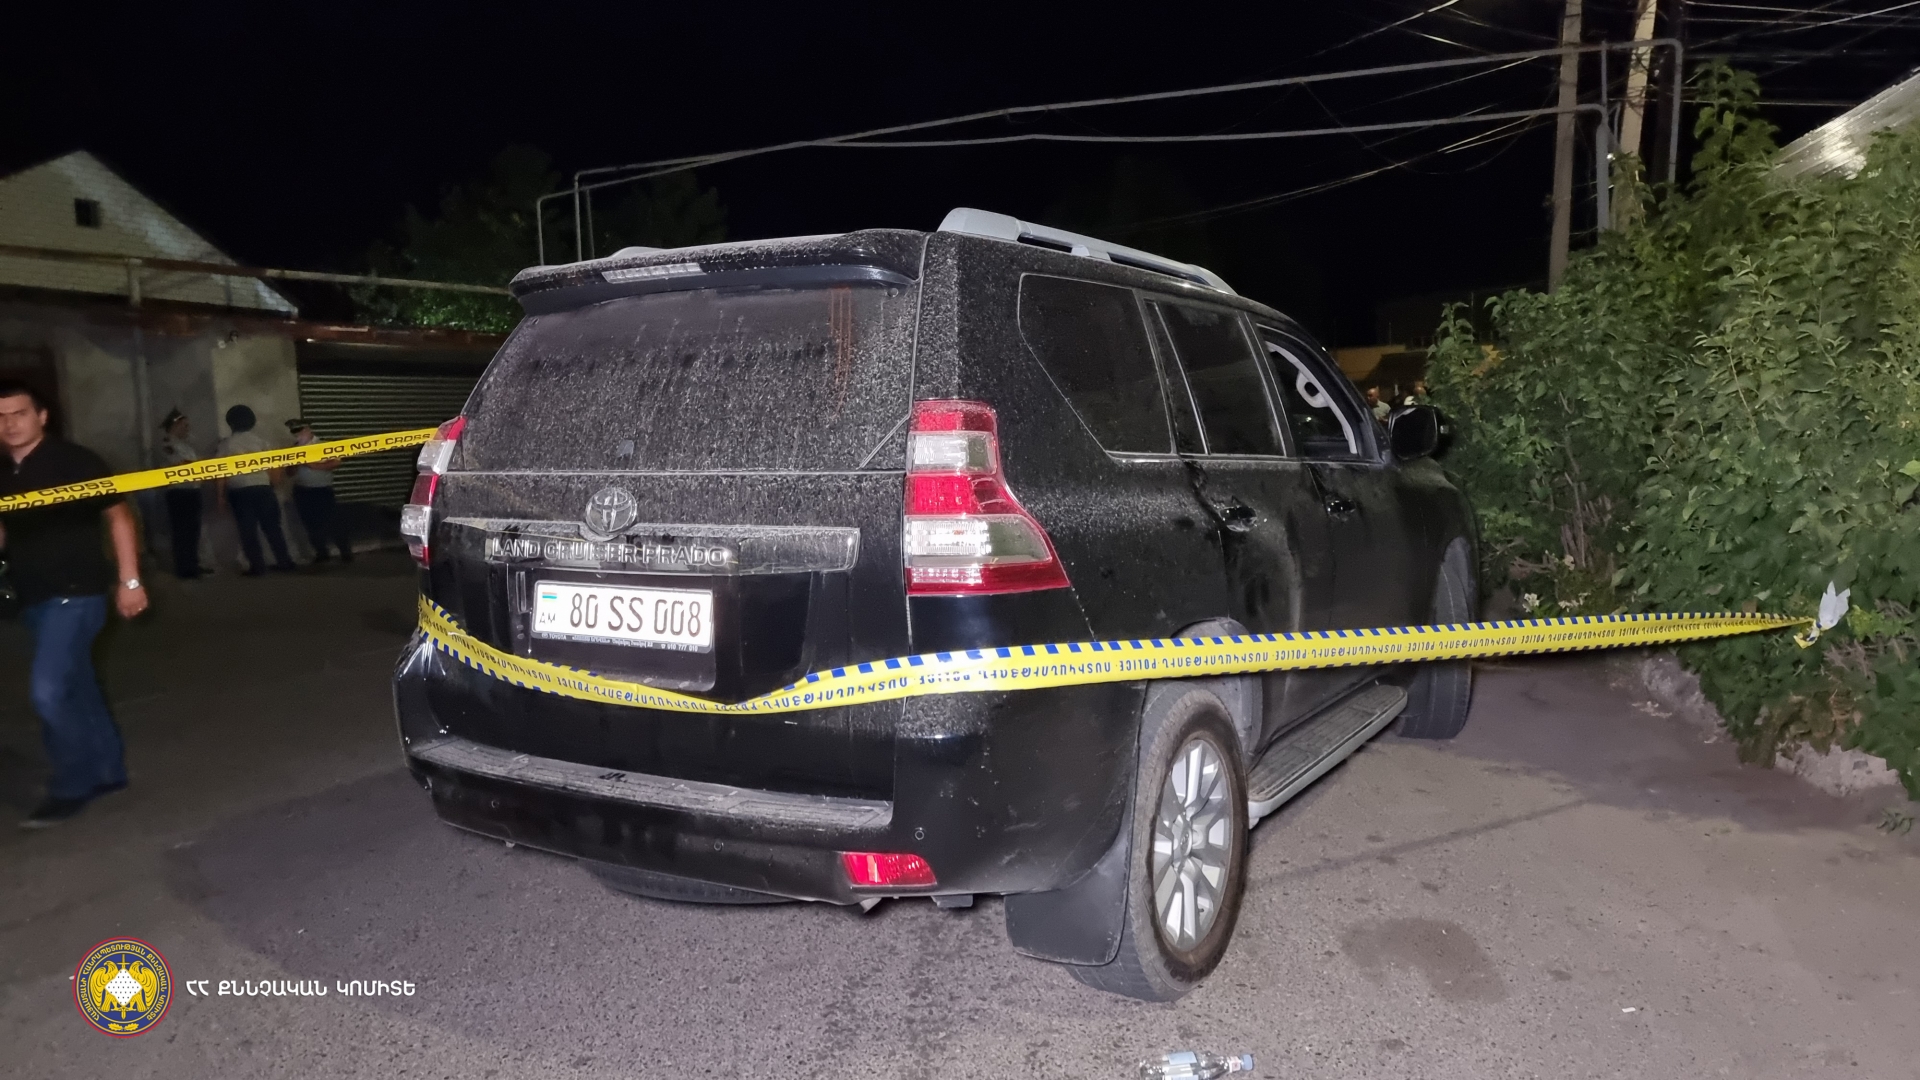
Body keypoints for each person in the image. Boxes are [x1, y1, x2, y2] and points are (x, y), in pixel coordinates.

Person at [0, 380, 148, 827]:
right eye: (0, 417)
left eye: (19, 413)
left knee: (48, 692)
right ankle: (107, 770)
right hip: (33, 595)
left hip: (78, 593)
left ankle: (71, 784)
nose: (9, 424)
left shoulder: (75, 460)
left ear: (42, 416)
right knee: (77, 684)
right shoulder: (4, 469)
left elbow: (118, 516)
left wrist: (130, 580)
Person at [214, 405, 295, 576]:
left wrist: (220, 497)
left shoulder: (227, 445)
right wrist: (272, 486)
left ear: (231, 423)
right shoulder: (261, 441)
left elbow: (221, 472)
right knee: (273, 528)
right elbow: (275, 467)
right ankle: (285, 562)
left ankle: (258, 567)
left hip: (240, 491)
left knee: (247, 530)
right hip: (263, 488)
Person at [286, 418, 352, 564]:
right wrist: (294, 464)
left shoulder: (324, 445)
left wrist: (312, 465)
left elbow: (335, 463)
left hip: (322, 490)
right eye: (294, 432)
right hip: (302, 491)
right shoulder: (293, 449)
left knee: (332, 522)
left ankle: (345, 552)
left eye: (299, 431)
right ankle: (322, 553)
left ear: (308, 430)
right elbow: (289, 473)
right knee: (310, 524)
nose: (297, 435)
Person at [158, 408, 206, 579]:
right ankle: (184, 568)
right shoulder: (168, 444)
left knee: (193, 531)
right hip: (179, 492)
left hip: (192, 491)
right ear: (175, 425)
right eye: (184, 425)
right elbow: (180, 465)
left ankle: (193, 564)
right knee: (182, 531)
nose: (187, 429)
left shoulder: (185, 445)